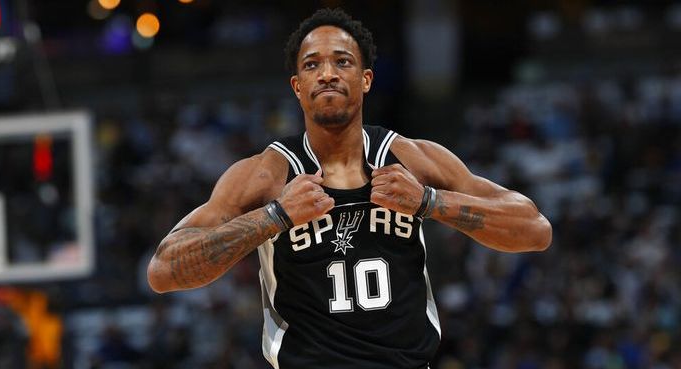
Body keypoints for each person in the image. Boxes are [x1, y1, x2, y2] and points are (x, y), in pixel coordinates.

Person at [147, 8, 552, 369]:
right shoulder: (267, 175)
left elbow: (535, 229)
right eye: (312, 65)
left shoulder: (412, 159)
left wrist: (430, 202)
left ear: (366, 79)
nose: (327, 73)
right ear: (297, 86)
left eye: (342, 61)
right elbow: (163, 271)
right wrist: (274, 217)